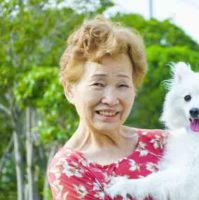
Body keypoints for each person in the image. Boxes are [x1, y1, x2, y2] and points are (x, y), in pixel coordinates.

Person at [47, 16, 167, 200]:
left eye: (123, 85)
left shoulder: (162, 143)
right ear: (70, 90)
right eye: (98, 84)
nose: (111, 99)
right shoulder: (69, 168)